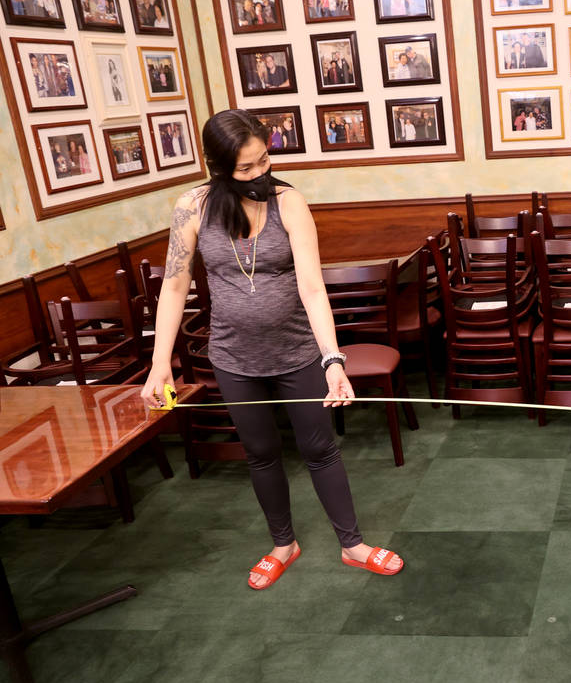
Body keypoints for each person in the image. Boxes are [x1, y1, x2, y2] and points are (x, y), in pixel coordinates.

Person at [140, 110, 404, 589]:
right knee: (261, 453)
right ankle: (284, 544)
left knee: (321, 449)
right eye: (245, 168)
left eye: (264, 160)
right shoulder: (191, 207)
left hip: (297, 352)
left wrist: (333, 361)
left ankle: (353, 545)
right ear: (217, 166)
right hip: (234, 358)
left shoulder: (289, 202)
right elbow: (175, 289)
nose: (260, 173)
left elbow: (312, 287)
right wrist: (160, 365)